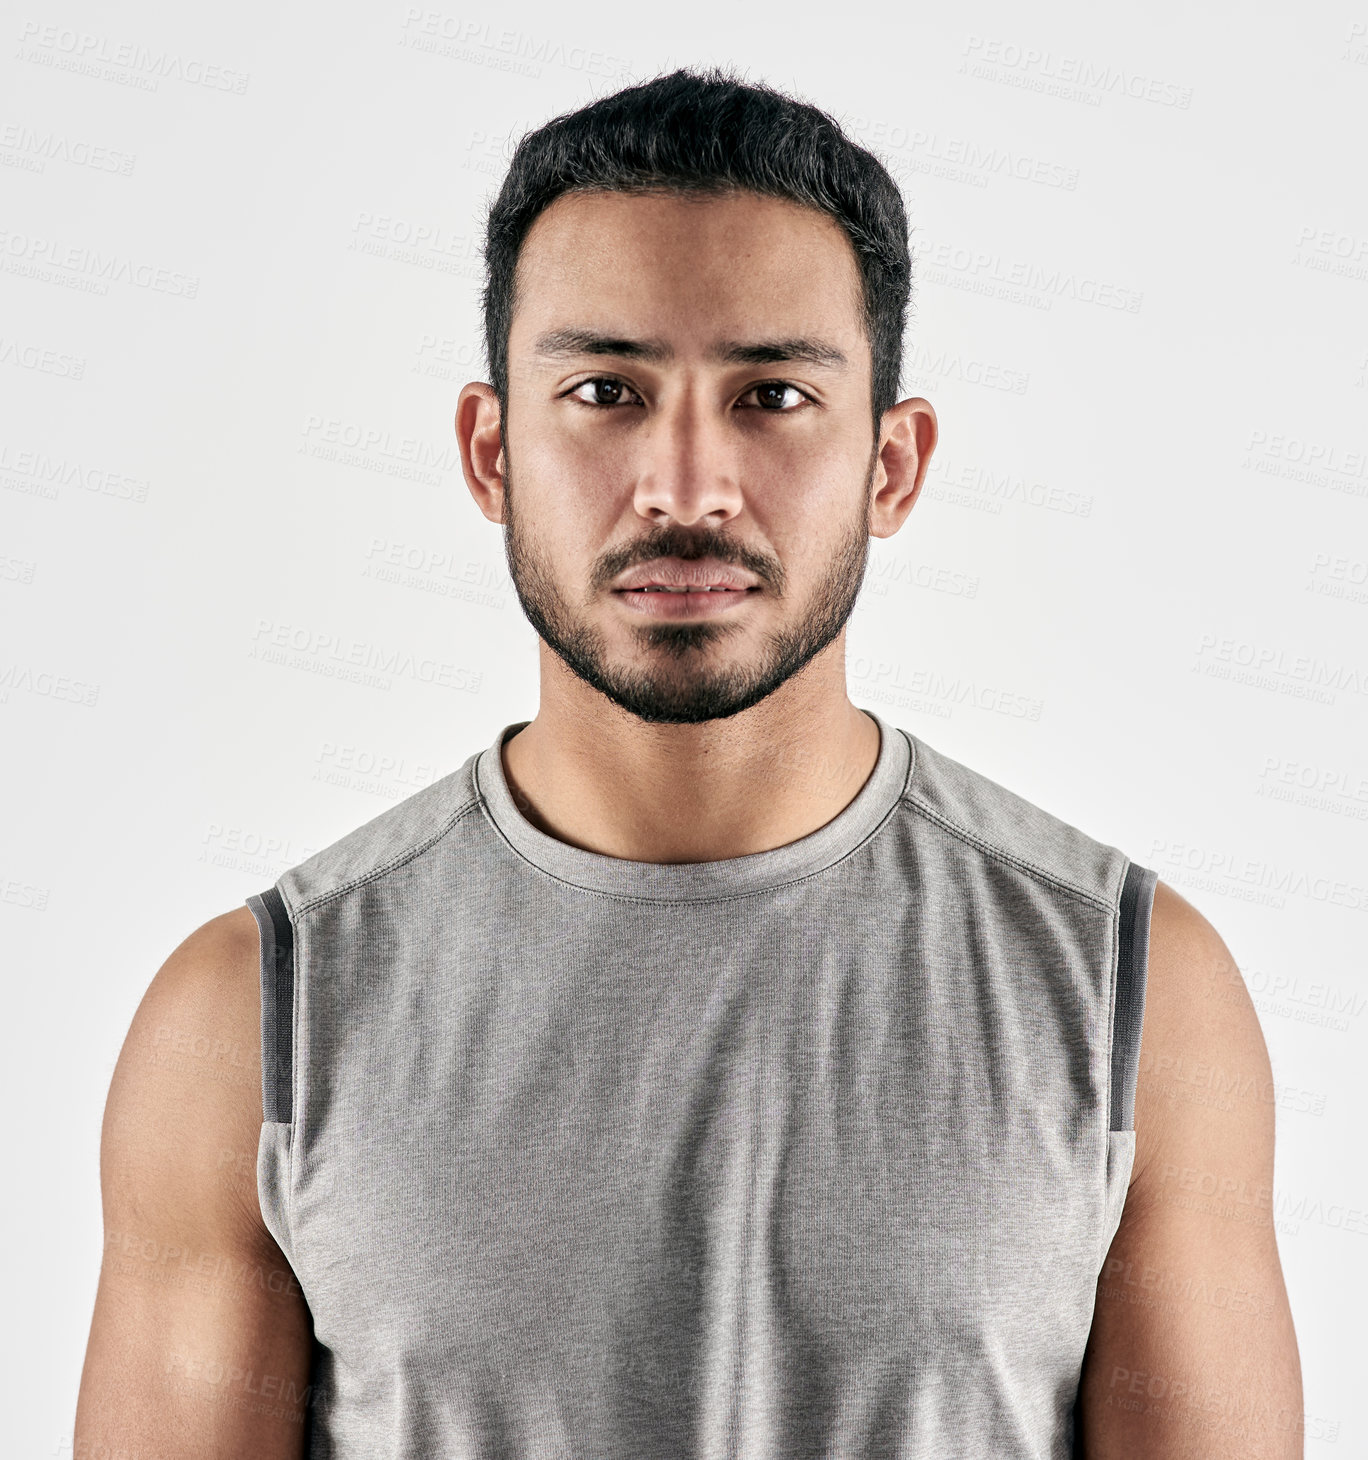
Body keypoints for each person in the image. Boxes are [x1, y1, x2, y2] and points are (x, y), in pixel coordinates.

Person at [74, 65, 1303, 1458]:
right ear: (492, 451)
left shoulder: (1134, 993)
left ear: (892, 467)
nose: (685, 487)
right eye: (606, 390)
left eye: (772, 396)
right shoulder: (251, 1023)